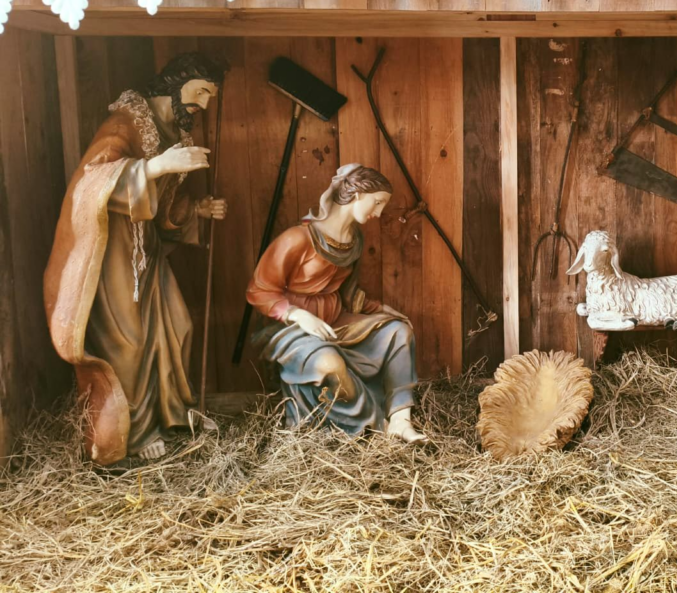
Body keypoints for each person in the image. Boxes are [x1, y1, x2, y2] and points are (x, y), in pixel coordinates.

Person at [44, 52, 229, 464]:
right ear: (176, 84)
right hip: (113, 252)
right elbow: (89, 184)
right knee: (128, 344)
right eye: (200, 92)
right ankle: (135, 432)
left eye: (209, 97)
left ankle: (173, 414)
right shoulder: (125, 123)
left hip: (146, 250)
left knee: (177, 324)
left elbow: (163, 210)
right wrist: (155, 166)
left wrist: (196, 209)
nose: (203, 104)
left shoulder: (173, 132)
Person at [246, 164, 426, 444]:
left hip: (335, 322)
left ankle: (401, 419)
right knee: (330, 364)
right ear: (357, 194)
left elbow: (347, 293)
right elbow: (259, 291)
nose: (379, 213)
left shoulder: (354, 240)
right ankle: (376, 423)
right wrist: (298, 315)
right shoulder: (298, 238)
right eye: (377, 202)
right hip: (292, 330)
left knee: (398, 331)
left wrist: (380, 310)